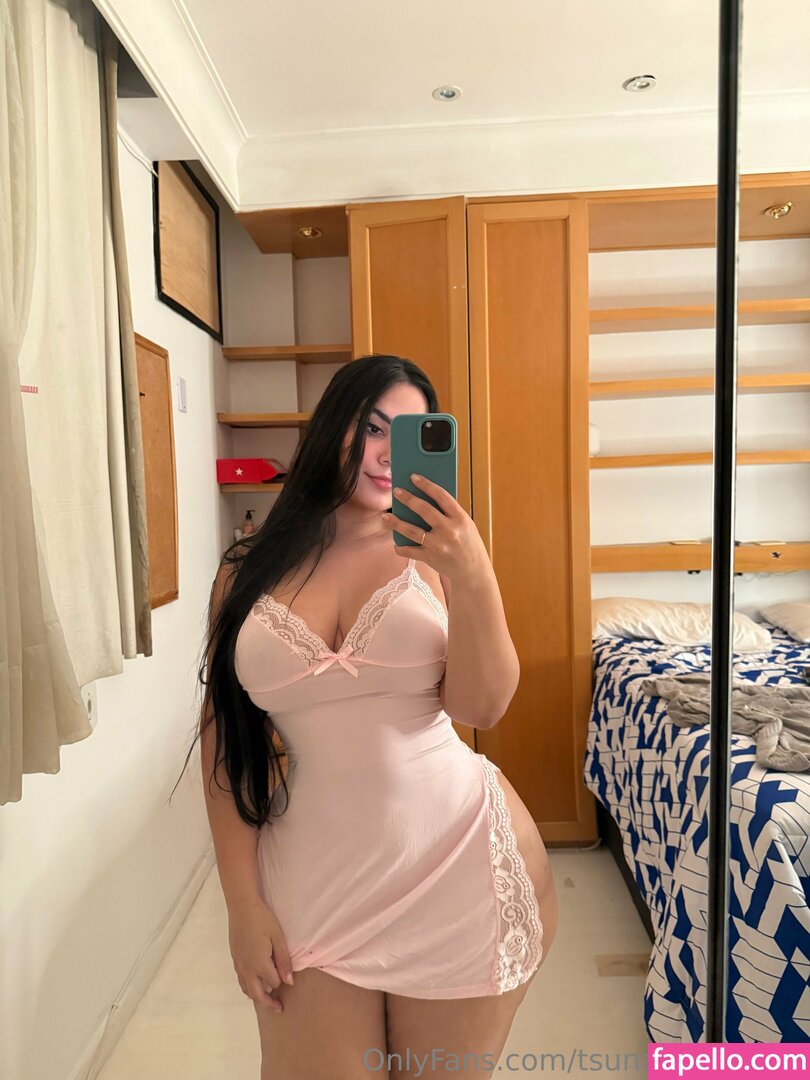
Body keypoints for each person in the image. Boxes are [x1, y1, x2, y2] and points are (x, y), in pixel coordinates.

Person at [184, 354, 559, 1079]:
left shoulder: (440, 554)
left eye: (410, 433)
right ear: (334, 427)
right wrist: (242, 905)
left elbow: (481, 707)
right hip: (311, 880)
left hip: (457, 861)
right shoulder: (245, 568)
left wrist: (474, 576)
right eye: (373, 427)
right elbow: (222, 736)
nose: (389, 453)